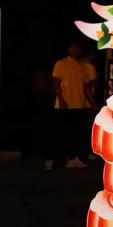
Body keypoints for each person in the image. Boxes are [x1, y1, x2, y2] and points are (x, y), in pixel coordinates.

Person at [48, 42, 96, 170]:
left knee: (76, 133)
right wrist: (61, 100)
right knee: (61, 132)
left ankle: (73, 158)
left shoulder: (83, 66)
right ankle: (53, 159)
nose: (77, 50)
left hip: (79, 104)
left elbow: (86, 86)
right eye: (74, 47)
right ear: (68, 49)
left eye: (79, 47)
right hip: (64, 104)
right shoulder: (61, 63)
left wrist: (92, 102)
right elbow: (56, 83)